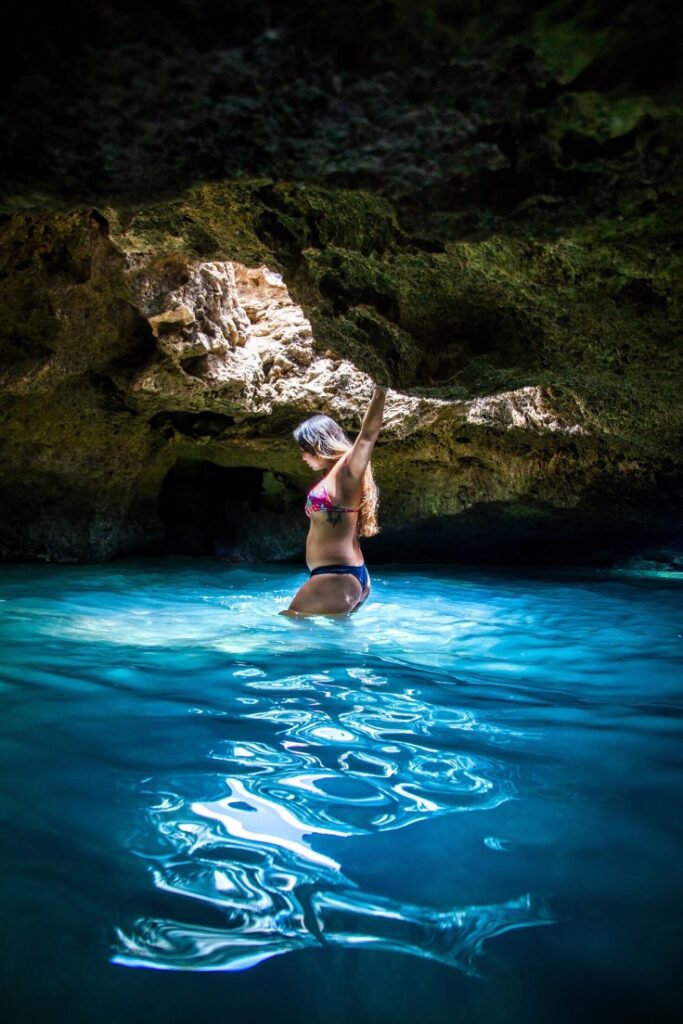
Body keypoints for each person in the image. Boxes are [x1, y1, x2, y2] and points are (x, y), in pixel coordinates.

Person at [281, 384, 387, 616]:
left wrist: (380, 389)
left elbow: (368, 436)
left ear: (318, 444)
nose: (303, 457)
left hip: (339, 575)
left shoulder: (347, 470)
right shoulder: (333, 477)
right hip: (341, 576)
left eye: (305, 449)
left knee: (290, 624)